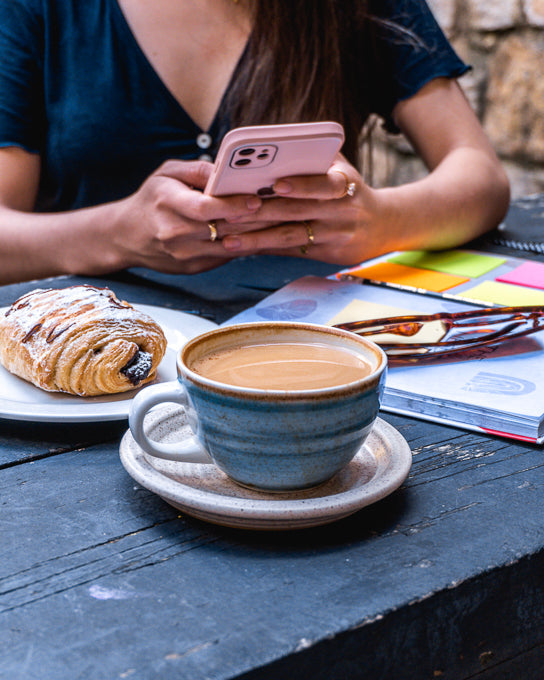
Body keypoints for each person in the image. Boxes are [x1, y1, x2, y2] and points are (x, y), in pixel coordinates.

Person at [0, 0, 510, 285]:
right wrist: (118, 234)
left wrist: (380, 220)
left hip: (313, 347)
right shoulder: (34, 10)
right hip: (93, 368)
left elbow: (479, 174)